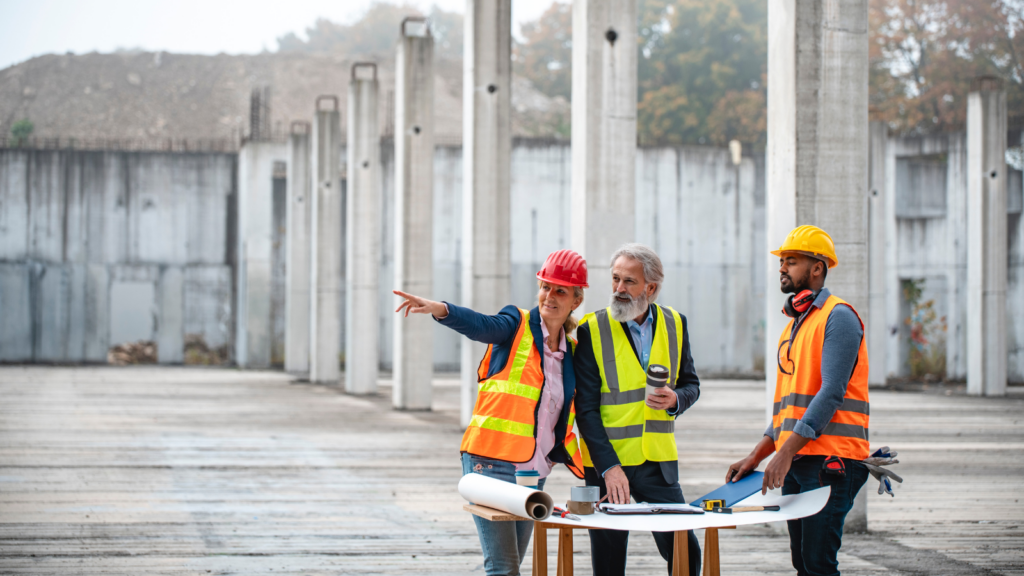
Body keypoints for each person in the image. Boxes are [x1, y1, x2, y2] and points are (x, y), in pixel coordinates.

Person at [393, 249, 588, 576]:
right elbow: (482, 325)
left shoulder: (573, 351)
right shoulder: (516, 325)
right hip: (490, 461)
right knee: (503, 566)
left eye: (560, 290)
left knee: (513, 563)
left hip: (534, 471)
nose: (549, 296)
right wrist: (442, 310)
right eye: (545, 287)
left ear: (576, 300)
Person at [726, 225, 870, 576]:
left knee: (819, 564)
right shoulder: (796, 325)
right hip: (800, 459)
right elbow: (788, 407)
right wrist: (757, 454)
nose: (782, 268)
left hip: (832, 460)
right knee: (803, 563)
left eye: (791, 261)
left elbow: (832, 392)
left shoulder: (839, 317)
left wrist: (784, 453)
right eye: (782, 261)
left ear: (817, 268)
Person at [574, 243, 702, 576]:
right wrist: (608, 468)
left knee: (686, 554)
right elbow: (585, 410)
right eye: (615, 278)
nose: (618, 289)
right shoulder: (592, 329)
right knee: (609, 563)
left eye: (629, 281)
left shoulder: (676, 323)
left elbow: (691, 384)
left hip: (657, 464)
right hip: (608, 466)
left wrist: (676, 400)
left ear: (651, 288)